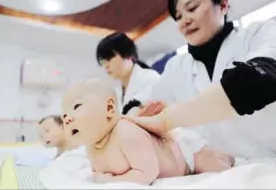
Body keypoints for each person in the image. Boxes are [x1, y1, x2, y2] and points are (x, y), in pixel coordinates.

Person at [126, 0, 276, 159]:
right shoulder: (177, 67)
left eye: (192, 8)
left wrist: (167, 120)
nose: (184, 22)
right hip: (222, 171)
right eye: (178, 16)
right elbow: (146, 97)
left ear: (223, 5)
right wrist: (135, 114)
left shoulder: (259, 34)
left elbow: (257, 79)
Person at [62, 78, 234, 185]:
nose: (67, 119)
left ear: (109, 108)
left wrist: (111, 181)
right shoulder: (91, 148)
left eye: (76, 107)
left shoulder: (125, 132)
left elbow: (147, 173)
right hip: (176, 161)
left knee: (216, 166)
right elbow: (100, 174)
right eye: (64, 114)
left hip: (184, 151)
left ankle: (227, 156)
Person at [96, 32, 161, 115]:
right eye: (103, 62)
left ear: (128, 54)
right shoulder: (116, 92)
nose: (106, 66)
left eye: (109, 59)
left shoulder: (150, 78)